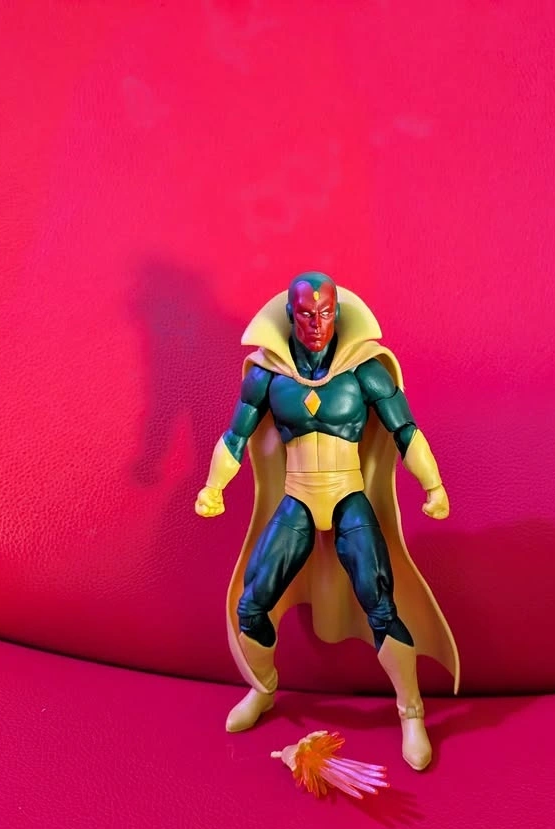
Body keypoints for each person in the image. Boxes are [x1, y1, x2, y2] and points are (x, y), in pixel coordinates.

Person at [195, 272, 459, 770]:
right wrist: (214, 486)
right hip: (297, 495)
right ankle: (263, 688)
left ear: (337, 312)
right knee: (252, 603)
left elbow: (405, 430)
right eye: (305, 314)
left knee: (380, 602)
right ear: (289, 315)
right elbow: (235, 437)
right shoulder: (268, 374)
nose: (316, 324)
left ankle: (411, 711)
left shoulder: (364, 370)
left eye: (325, 313)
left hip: (347, 494)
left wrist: (434, 485)